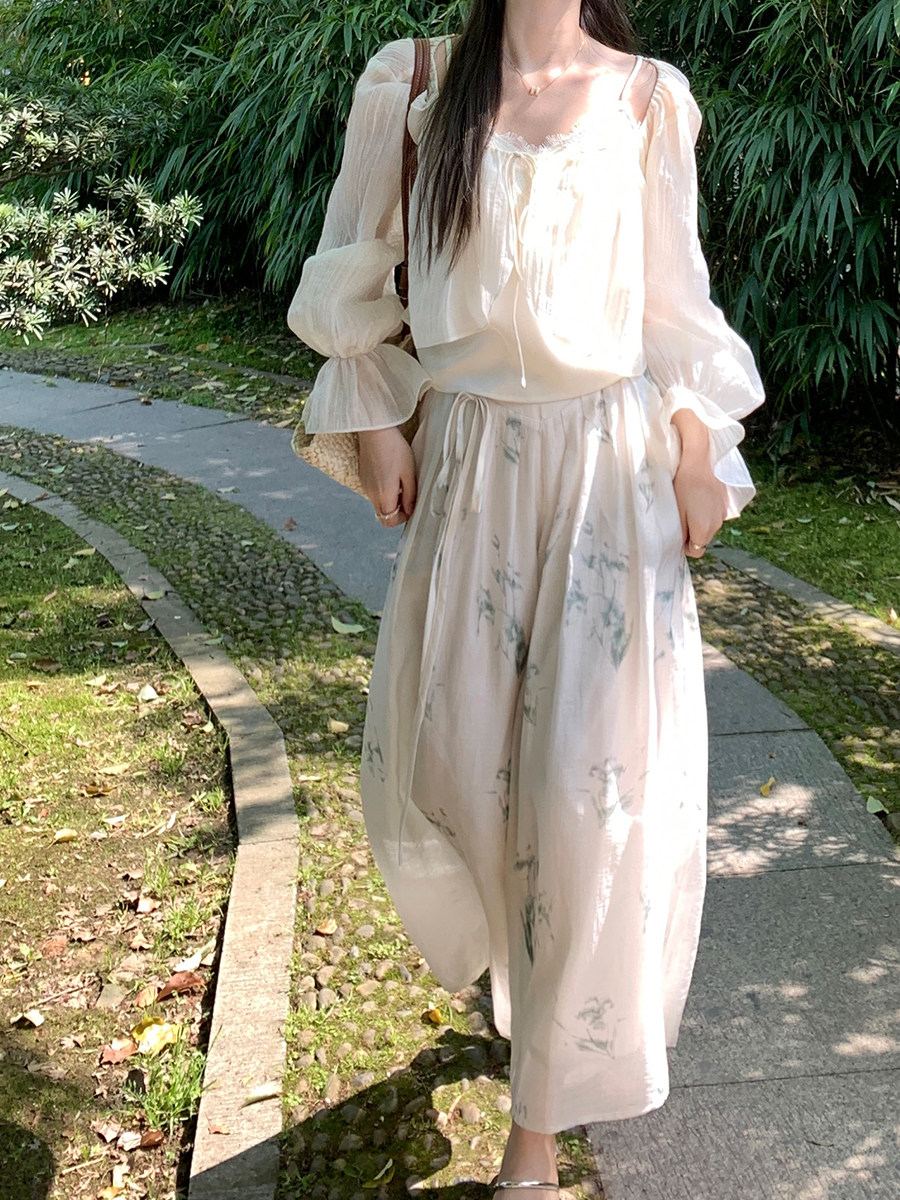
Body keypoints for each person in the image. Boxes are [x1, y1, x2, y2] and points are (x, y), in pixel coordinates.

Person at [288, 0, 764, 1192]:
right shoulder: (411, 83)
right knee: (460, 774)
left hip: (609, 477)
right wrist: (377, 414)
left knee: (585, 802)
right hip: (469, 468)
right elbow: (355, 263)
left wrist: (698, 442)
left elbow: (673, 304)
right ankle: (516, 976)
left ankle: (536, 1132)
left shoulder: (648, 99)